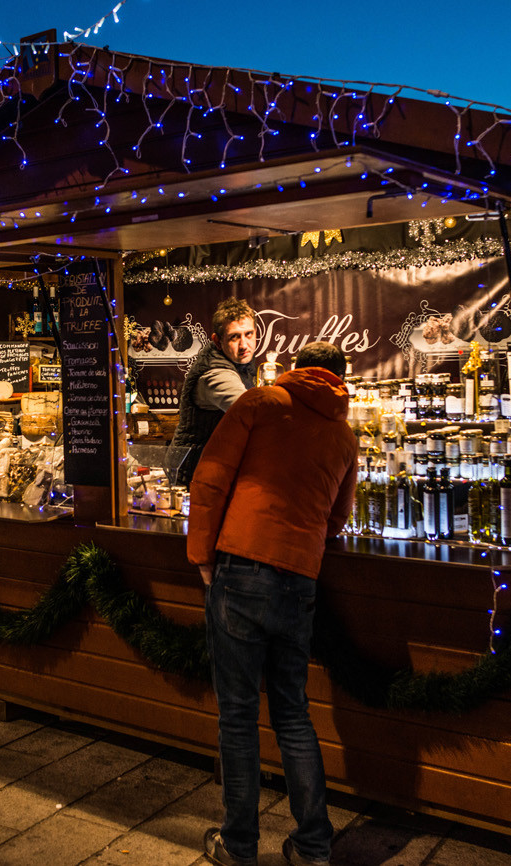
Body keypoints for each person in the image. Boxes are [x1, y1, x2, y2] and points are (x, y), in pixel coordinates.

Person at [188, 340, 358, 866]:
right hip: (299, 577)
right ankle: (312, 847)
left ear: (296, 369)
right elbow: (336, 519)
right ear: (339, 378)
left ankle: (239, 846)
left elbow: (210, 478)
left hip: (241, 565)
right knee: (293, 713)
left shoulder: (260, 403)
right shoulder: (344, 435)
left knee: (237, 716)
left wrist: (201, 555)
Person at [170, 297, 259, 486]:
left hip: (211, 469)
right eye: (235, 336)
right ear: (217, 341)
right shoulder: (215, 373)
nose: (244, 345)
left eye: (249, 334)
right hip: (191, 476)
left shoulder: (238, 362)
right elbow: (252, 411)